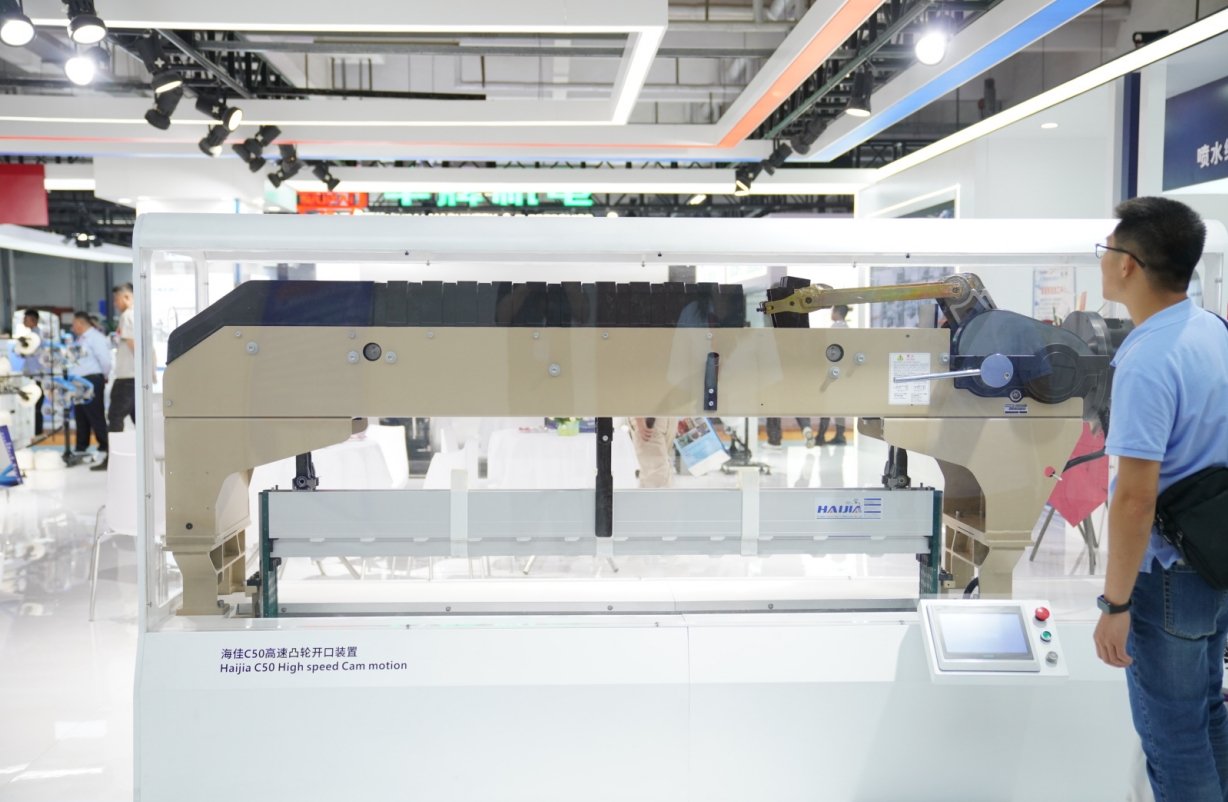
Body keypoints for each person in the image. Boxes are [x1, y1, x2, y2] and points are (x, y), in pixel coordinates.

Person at [1091, 196, 1228, 802]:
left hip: (1167, 576)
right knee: (1207, 715)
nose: (1102, 260)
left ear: (1127, 264)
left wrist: (1115, 603)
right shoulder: (1212, 330)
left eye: (1106, 250)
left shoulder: (1147, 359)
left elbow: (1134, 500)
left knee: (1173, 740)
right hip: (1213, 562)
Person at [96, 284, 136, 470]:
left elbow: (133, 344)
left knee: (115, 417)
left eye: (116, 299)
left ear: (126, 297)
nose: (114, 303)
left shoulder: (127, 316)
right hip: (134, 377)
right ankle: (144, 456)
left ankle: (114, 460)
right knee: (138, 419)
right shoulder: (137, 315)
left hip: (127, 377)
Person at [69, 311, 111, 463]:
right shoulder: (80, 339)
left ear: (80, 323)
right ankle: (81, 447)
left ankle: (105, 447)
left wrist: (103, 376)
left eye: (74, 324)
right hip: (79, 381)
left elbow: (105, 360)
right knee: (80, 415)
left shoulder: (96, 337)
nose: (72, 327)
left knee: (95, 414)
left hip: (92, 380)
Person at [815, 305, 850, 446]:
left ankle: (821, 436)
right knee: (839, 405)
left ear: (837, 312)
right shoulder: (847, 328)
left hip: (832, 372)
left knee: (826, 404)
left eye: (832, 310)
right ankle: (840, 435)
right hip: (842, 373)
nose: (831, 313)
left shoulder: (835, 328)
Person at [19, 309, 46, 436]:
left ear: (33, 320)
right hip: (33, 375)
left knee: (35, 405)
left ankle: (37, 432)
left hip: (37, 376)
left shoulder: (36, 337)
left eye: (26, 319)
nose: (23, 321)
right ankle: (35, 431)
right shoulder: (33, 335)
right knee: (34, 405)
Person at [629, 417, 676, 488]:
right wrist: (639, 418)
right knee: (655, 476)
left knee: (663, 471)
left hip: (669, 415)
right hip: (649, 418)